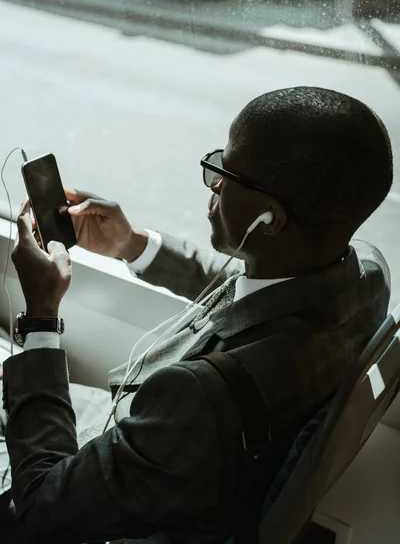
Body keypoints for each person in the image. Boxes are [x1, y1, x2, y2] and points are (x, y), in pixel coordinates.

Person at [0, 86, 393, 544]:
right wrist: (134, 245)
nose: (214, 185)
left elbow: (39, 512)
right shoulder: (366, 274)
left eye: (224, 174)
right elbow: (252, 285)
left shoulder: (201, 397)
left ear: (268, 219)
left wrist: (42, 316)